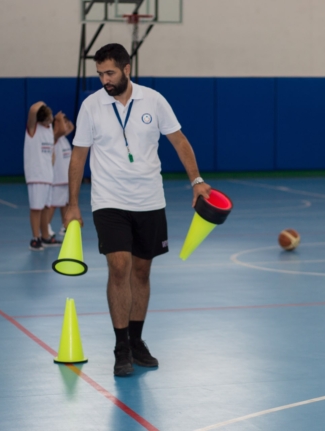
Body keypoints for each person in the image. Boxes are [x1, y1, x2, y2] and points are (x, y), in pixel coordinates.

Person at [64, 43, 212, 377]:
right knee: (119, 267)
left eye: (110, 72)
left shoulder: (154, 101)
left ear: (127, 69)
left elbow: (179, 141)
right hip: (109, 201)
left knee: (142, 272)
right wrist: (72, 204)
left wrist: (197, 181)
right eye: (100, 74)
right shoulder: (91, 106)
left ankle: (136, 341)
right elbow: (78, 156)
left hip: (149, 200)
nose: (104, 79)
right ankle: (121, 348)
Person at [24, 101, 67, 251]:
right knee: (36, 208)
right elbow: (33, 109)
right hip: (36, 175)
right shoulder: (33, 128)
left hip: (48, 175)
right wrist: (43, 104)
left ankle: (45, 237)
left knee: (46, 208)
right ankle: (35, 238)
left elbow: (52, 154)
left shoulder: (49, 130)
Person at [47, 116, 75, 236]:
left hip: (66, 178)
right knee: (53, 205)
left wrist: (63, 120)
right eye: (63, 122)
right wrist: (58, 118)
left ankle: (65, 226)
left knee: (65, 203)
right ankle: (45, 227)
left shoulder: (63, 138)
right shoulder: (54, 137)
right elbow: (63, 129)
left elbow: (71, 127)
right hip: (58, 179)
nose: (66, 124)